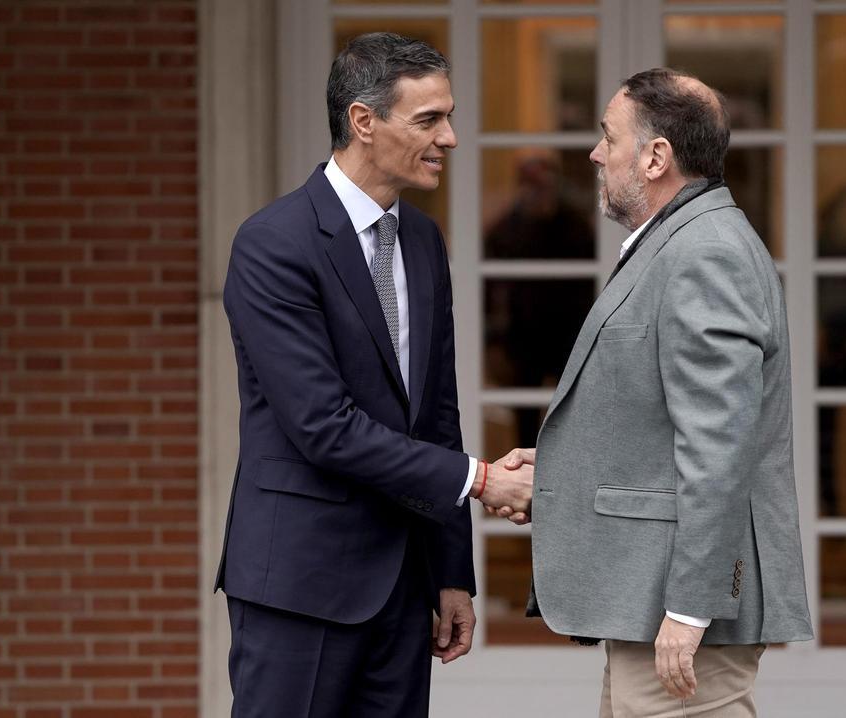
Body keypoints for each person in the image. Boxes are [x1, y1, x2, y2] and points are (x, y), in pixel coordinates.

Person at [214, 32, 532, 717]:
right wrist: (481, 481)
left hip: (403, 590)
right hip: (298, 586)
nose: (449, 137)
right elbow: (321, 427)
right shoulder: (273, 244)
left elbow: (436, 415)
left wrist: (452, 575)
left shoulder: (422, 239)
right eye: (428, 120)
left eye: (448, 117)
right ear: (363, 121)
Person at [498, 68, 813, 716]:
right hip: (649, 610)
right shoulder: (680, 241)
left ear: (655, 157)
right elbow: (654, 422)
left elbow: (719, 449)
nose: (593, 153)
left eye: (607, 137)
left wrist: (690, 607)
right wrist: (561, 471)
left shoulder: (704, 253)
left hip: (681, 621)